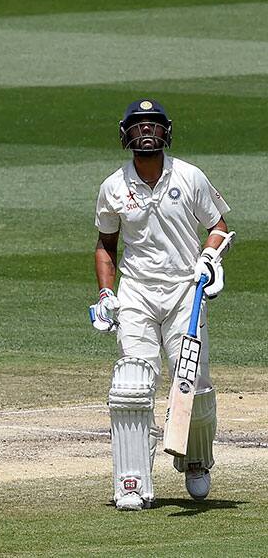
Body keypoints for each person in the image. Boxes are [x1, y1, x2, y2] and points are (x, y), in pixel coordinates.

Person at [92, 99, 231, 510]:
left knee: (196, 384)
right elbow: (106, 244)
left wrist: (209, 257)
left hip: (184, 293)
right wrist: (105, 293)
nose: (146, 131)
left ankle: (196, 462)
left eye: (153, 124)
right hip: (136, 294)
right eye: (138, 125)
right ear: (125, 134)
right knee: (132, 385)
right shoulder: (113, 187)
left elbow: (218, 225)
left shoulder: (189, 176)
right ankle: (131, 480)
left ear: (166, 131)